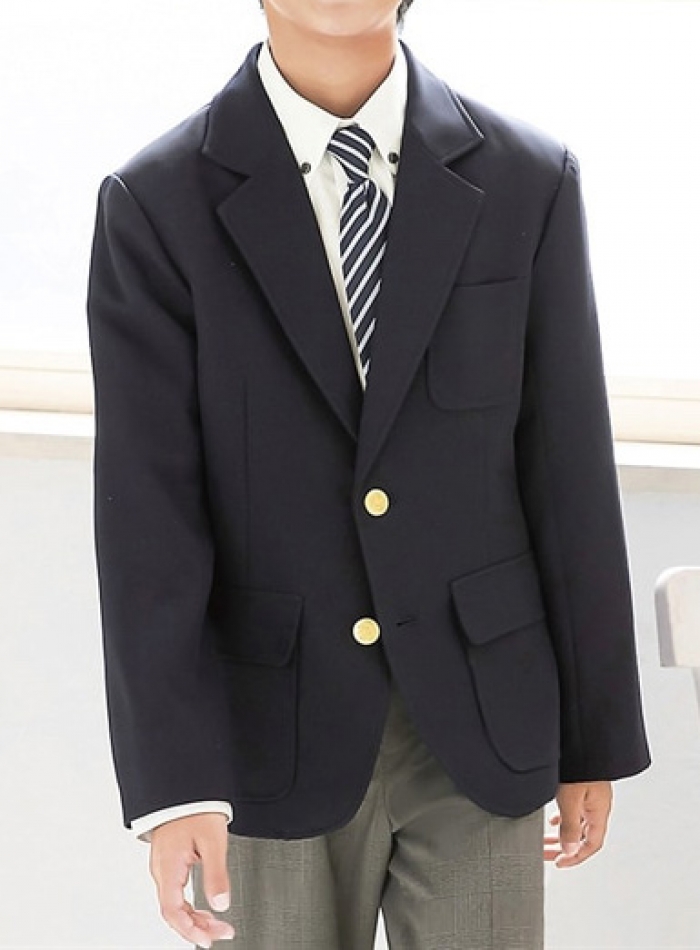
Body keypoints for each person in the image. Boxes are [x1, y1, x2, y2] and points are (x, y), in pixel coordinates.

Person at [86, 1, 652, 947]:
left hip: (482, 718)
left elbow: (567, 472)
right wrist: (173, 783)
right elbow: (148, 519)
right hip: (267, 734)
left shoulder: (528, 179)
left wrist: (593, 733)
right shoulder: (156, 204)